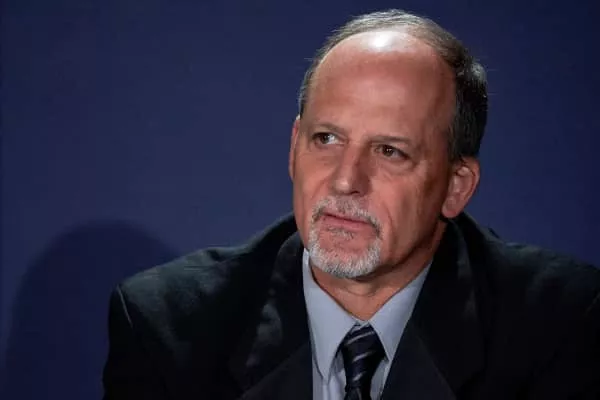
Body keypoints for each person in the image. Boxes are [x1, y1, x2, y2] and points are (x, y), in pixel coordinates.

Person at [103, 9, 600, 400]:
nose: (345, 181)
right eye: (326, 139)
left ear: (456, 186)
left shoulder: (560, 326)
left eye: (389, 151)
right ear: (294, 148)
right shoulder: (169, 328)